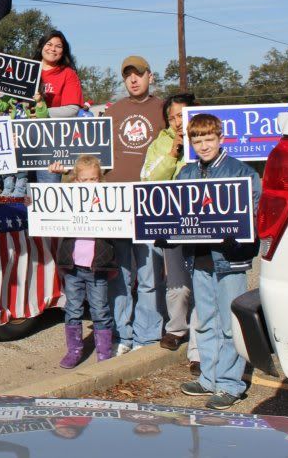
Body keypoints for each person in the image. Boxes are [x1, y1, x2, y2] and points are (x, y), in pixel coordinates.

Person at [176, 113, 261, 410]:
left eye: (209, 139)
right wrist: (168, 235)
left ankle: (229, 384)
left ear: (220, 138)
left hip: (229, 259)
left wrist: (241, 241)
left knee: (230, 324)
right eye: (197, 140)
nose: (203, 145)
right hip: (199, 257)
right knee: (206, 321)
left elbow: (254, 216)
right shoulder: (186, 173)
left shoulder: (242, 172)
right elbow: (176, 212)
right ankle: (208, 378)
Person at [104, 55, 166, 355]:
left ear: (150, 77)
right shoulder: (113, 111)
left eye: (138, 74)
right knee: (120, 275)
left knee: (150, 274)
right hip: (116, 202)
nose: (133, 79)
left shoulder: (163, 109)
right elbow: (91, 152)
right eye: (128, 75)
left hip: (151, 202)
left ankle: (147, 335)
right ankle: (122, 334)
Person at [141, 92, 201, 375]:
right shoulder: (160, 144)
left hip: (204, 223)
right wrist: (173, 151)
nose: (178, 121)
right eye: (172, 117)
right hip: (173, 222)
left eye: (182, 115)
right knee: (177, 282)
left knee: (203, 286)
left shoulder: (205, 139)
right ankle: (176, 328)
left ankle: (199, 351)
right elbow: (148, 178)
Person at [50, 156, 116, 368]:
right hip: (73, 267)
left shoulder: (109, 200)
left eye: (93, 179)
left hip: (98, 267)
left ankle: (104, 354)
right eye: (84, 179)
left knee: (100, 310)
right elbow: (48, 205)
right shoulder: (67, 200)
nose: (89, 184)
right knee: (73, 309)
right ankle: (74, 351)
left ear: (100, 179)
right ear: (76, 180)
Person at [31, 30, 84, 185]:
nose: (52, 49)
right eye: (49, 44)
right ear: (41, 46)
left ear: (63, 51)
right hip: (22, 139)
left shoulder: (68, 73)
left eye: (58, 46)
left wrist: (41, 113)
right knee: (19, 190)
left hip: (51, 140)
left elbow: (72, 109)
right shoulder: (28, 69)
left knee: (46, 187)